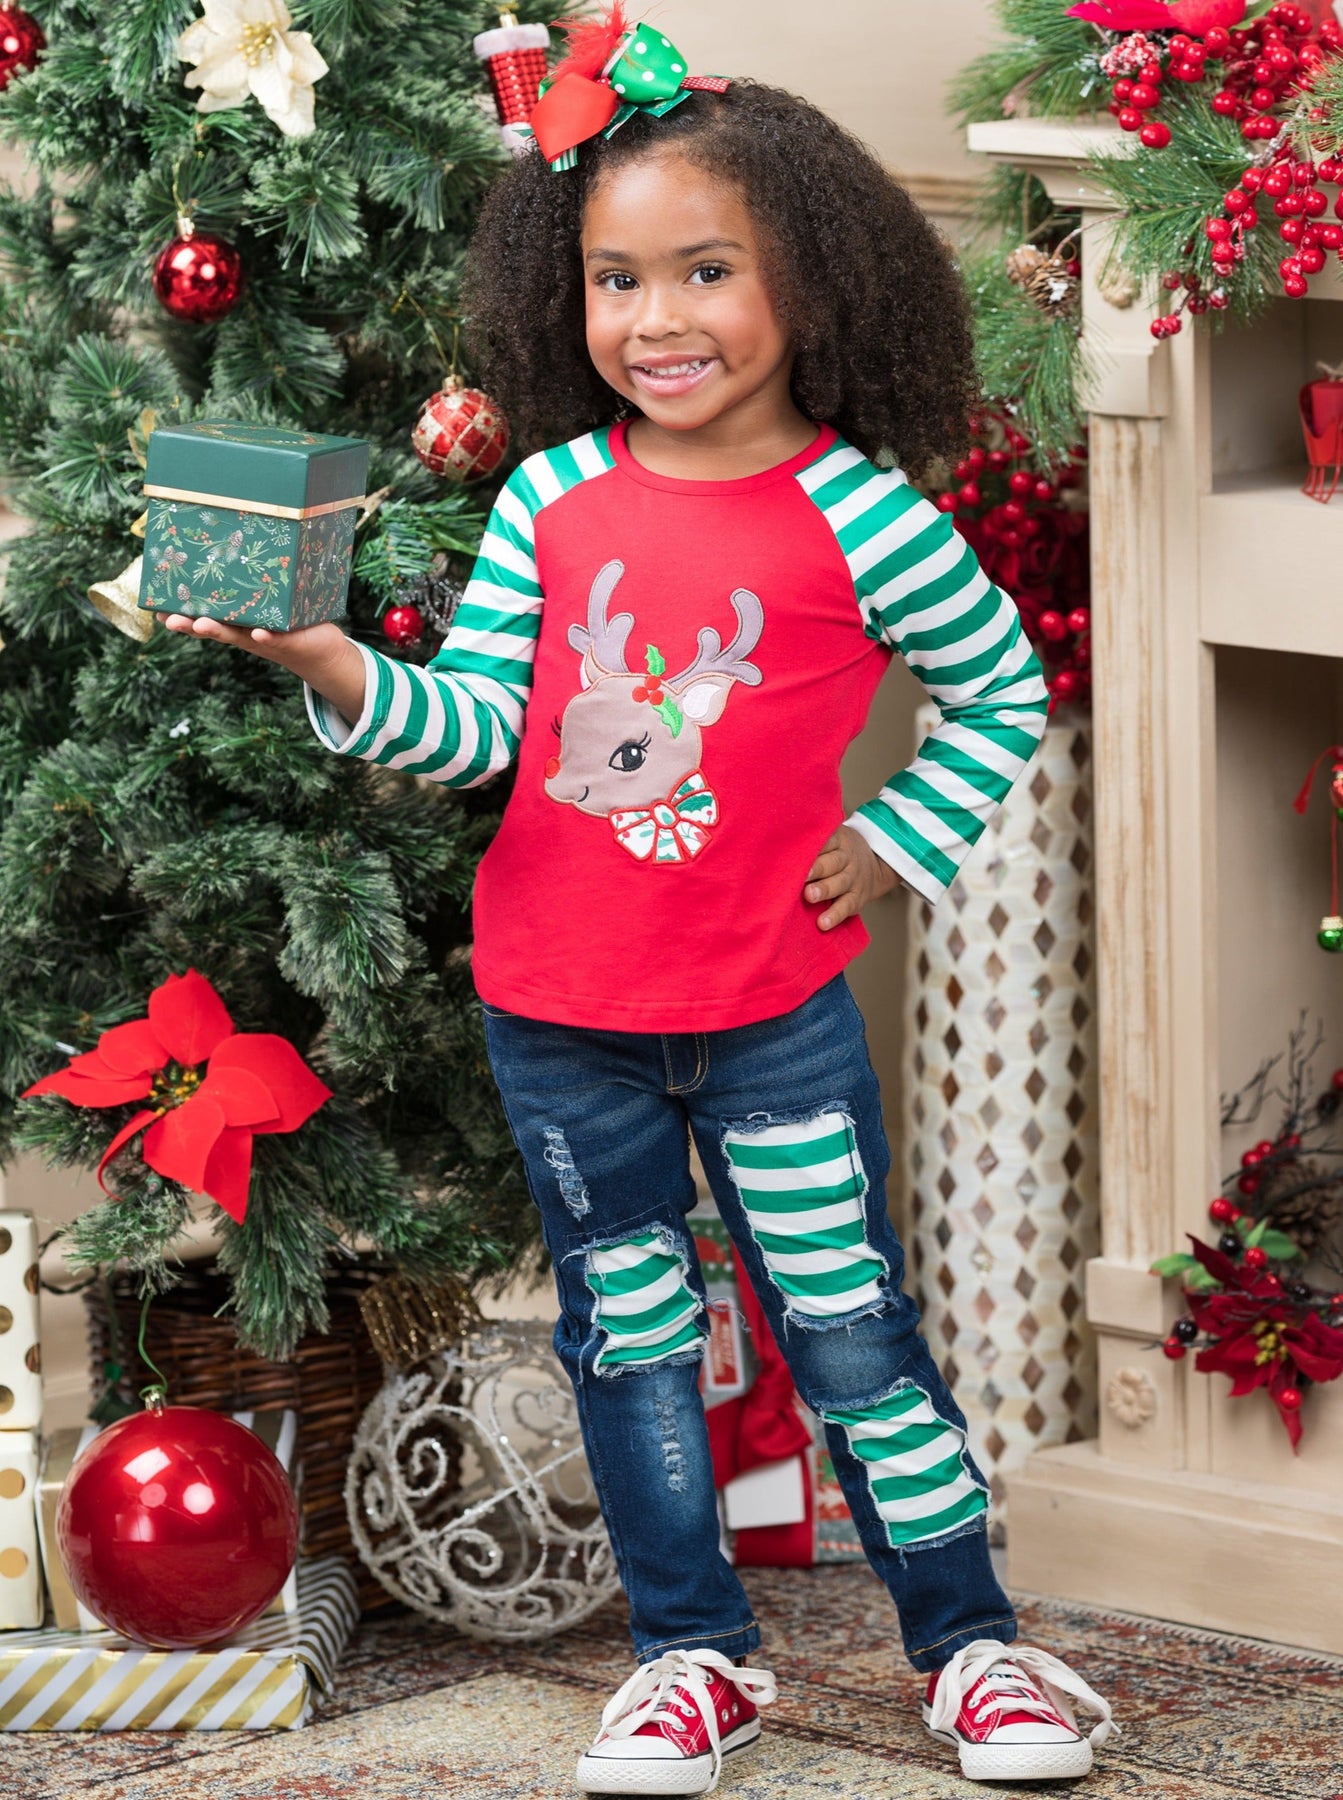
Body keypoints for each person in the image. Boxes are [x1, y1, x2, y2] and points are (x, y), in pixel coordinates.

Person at [164, 14, 1116, 1793]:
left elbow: (1000, 689)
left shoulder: (866, 518)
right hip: (559, 1017)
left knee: (849, 1330)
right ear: (569, 293)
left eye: (706, 271)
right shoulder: (548, 498)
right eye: (617, 280)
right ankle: (693, 1658)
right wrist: (333, 664)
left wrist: (899, 839)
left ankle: (969, 1643)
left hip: (771, 1021)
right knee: (633, 1339)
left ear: (813, 283)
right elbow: (483, 729)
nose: (657, 319)